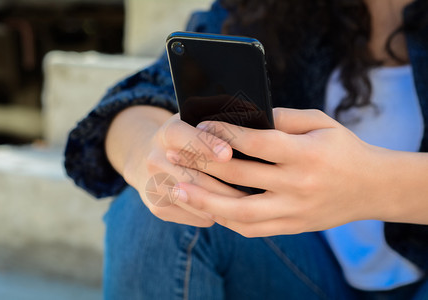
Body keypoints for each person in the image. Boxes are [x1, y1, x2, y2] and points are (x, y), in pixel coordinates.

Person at [64, 0, 428, 299]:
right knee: (160, 209)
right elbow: (139, 100)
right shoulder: (269, 9)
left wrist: (372, 187)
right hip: (307, 271)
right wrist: (147, 153)